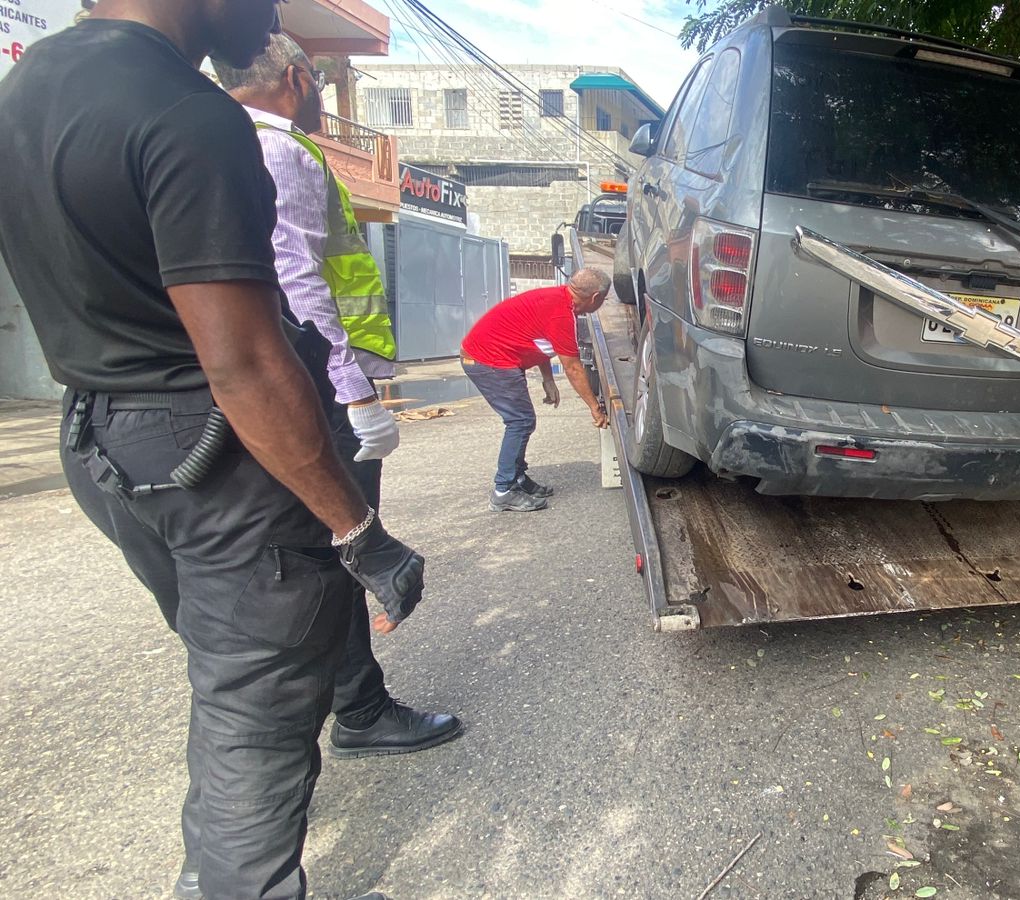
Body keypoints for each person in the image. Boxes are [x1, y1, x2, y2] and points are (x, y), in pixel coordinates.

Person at [0, 2, 426, 898]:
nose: (268, 11)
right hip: (216, 450)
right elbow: (242, 360)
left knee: (227, 663)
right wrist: (356, 525)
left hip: (102, 439)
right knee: (252, 708)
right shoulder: (189, 117)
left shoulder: (28, 86)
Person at [215, 36, 461, 774]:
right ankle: (356, 710)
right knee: (343, 546)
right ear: (297, 78)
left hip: (262, 382)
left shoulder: (215, 138)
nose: (324, 96)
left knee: (304, 554)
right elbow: (299, 280)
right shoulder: (281, 148)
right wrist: (353, 394)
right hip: (312, 384)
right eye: (321, 82)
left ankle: (333, 707)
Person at [460, 269, 611, 511]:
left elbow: (539, 338)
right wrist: (595, 408)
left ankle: (517, 479)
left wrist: (548, 379)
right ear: (595, 298)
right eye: (603, 300)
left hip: (490, 356)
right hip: (488, 359)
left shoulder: (557, 298)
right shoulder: (562, 314)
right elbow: (573, 368)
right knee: (519, 421)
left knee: (522, 420)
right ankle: (503, 490)